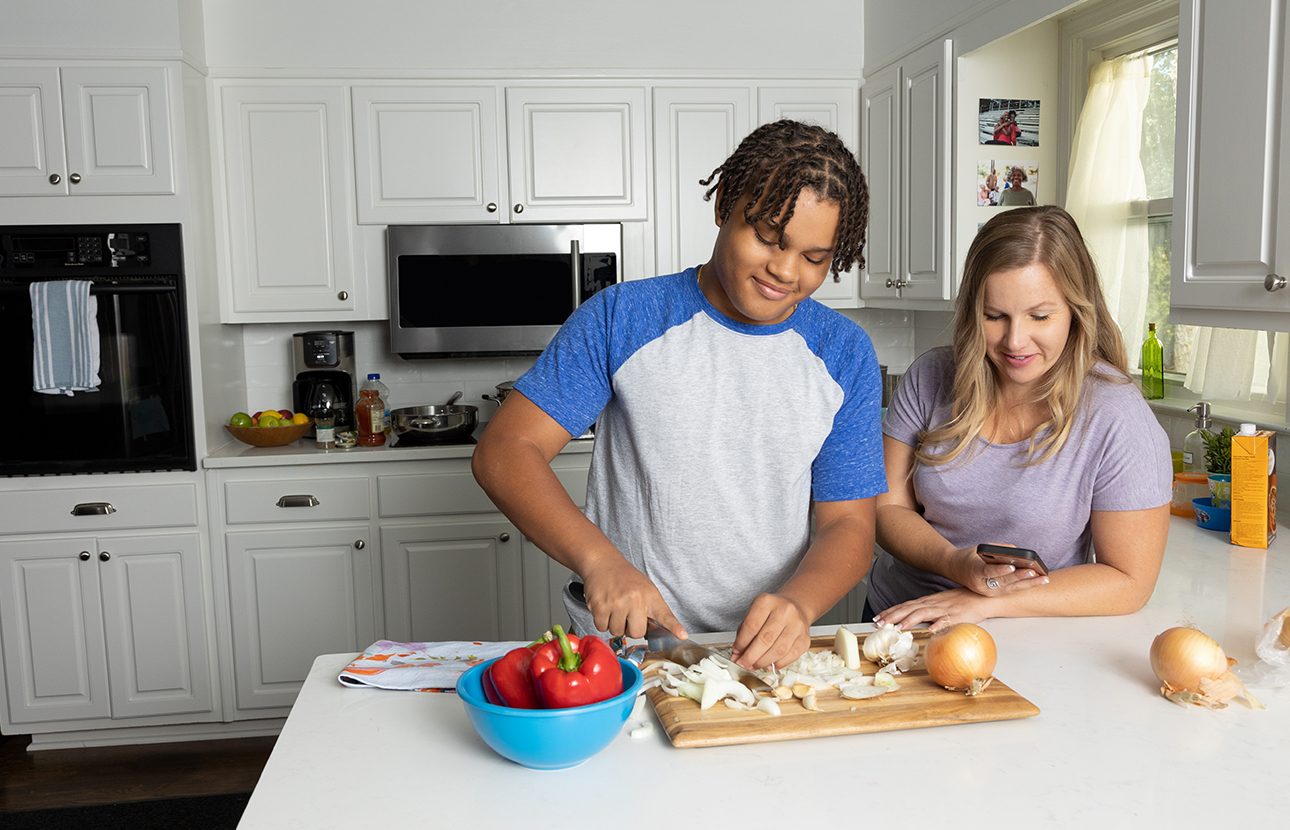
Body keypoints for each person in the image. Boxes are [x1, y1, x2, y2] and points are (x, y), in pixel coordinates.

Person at [472, 120, 886, 670]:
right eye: (766, 235)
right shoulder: (623, 317)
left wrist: (798, 602)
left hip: (770, 655)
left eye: (814, 258)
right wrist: (601, 562)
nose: (785, 270)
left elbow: (850, 525)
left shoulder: (844, 353)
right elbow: (505, 451)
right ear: (722, 208)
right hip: (631, 647)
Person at [867, 206, 1171, 632]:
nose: (1014, 340)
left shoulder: (1117, 416)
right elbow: (886, 508)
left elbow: (1129, 582)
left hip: (1028, 634)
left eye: (1040, 316)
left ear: (1077, 311)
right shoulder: (931, 376)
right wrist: (955, 564)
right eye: (995, 316)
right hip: (898, 620)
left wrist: (984, 603)